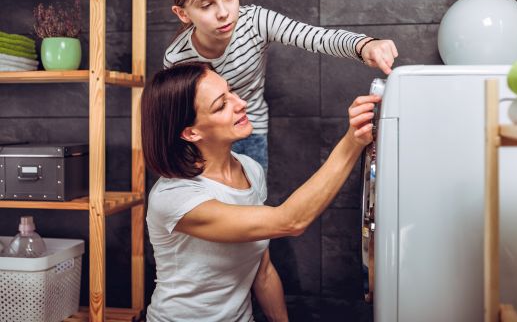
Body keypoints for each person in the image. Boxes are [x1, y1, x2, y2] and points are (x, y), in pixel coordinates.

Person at [142, 61, 379, 322]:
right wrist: (352, 142)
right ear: (191, 132)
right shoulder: (174, 197)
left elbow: (262, 270)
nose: (240, 103)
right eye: (221, 105)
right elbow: (291, 221)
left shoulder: (250, 170)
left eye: (231, 91)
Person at [164, 0, 397, 170]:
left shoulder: (255, 22)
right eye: (206, 5)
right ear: (183, 13)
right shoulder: (176, 59)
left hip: (251, 126)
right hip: (206, 141)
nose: (224, 12)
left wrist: (364, 45)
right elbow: (180, 118)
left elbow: (315, 37)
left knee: (252, 203)